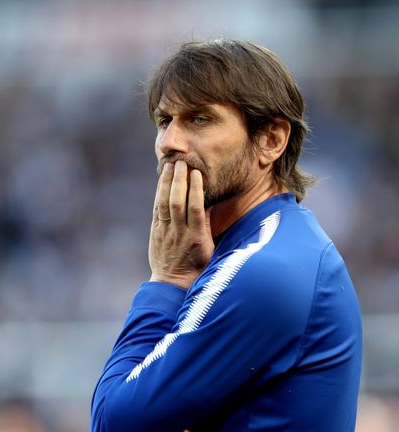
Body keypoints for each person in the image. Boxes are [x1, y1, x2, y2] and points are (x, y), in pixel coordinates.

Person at [91, 39, 362, 431]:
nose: (169, 142)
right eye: (164, 121)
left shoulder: (263, 271)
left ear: (270, 140)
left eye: (199, 119)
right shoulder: (275, 247)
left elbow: (112, 423)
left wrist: (167, 280)